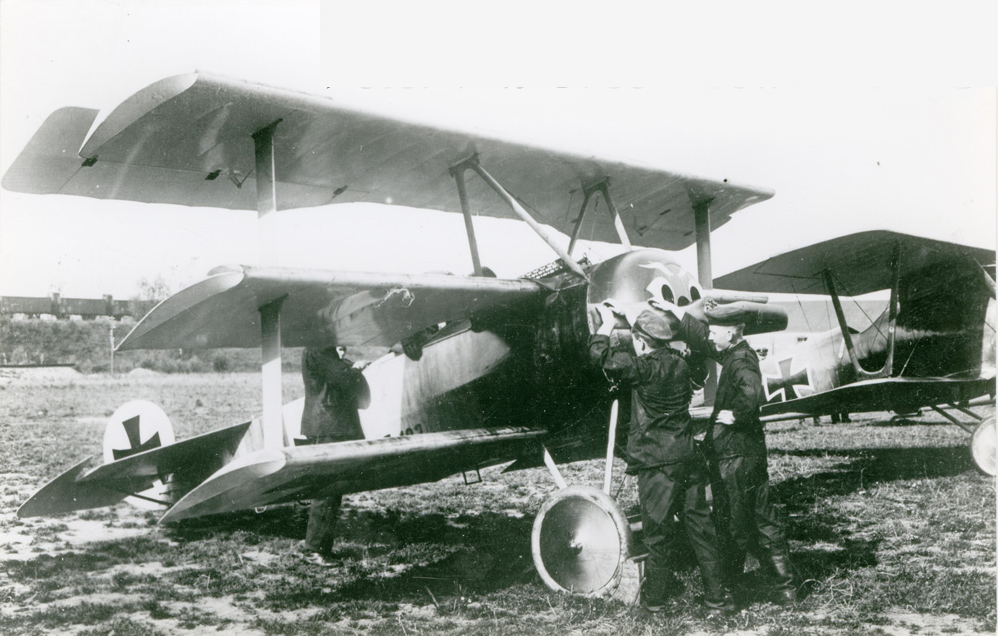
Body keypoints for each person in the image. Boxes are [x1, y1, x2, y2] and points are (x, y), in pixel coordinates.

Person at [589, 301, 735, 617]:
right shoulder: (681, 365)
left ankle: (654, 604)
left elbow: (599, 356)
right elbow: (697, 356)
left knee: (657, 535)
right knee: (701, 528)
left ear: (641, 341)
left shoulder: (642, 369)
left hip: (657, 463)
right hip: (687, 456)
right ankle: (717, 600)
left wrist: (606, 324)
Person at [654, 298, 797, 606]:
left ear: (731, 332)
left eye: (715, 331)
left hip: (733, 456)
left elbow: (751, 390)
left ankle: (729, 591)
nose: (709, 336)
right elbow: (706, 347)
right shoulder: (738, 353)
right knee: (763, 517)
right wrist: (678, 311)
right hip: (750, 452)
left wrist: (739, 415)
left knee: (731, 522)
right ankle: (786, 589)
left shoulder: (741, 361)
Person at [299, 344, 370, 561]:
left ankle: (319, 547)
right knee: (328, 488)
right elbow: (343, 378)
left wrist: (347, 365)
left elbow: (337, 373)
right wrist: (355, 369)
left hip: (328, 424)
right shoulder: (319, 349)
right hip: (329, 425)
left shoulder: (318, 349)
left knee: (330, 489)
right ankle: (315, 549)